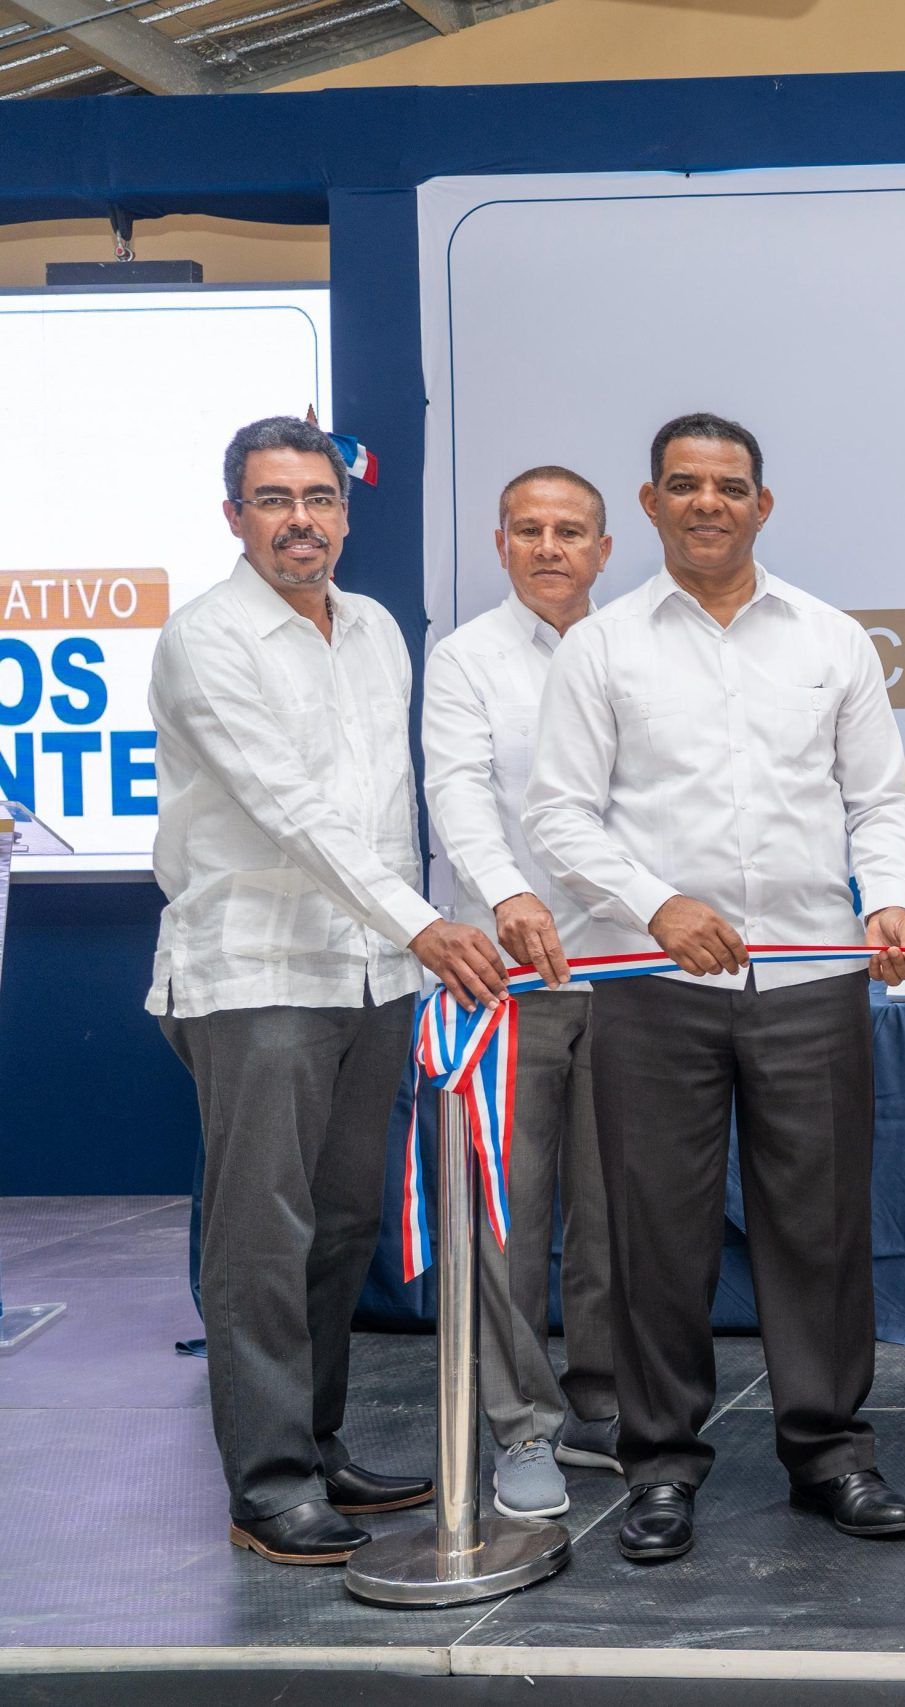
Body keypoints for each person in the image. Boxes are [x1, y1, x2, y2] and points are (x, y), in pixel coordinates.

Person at [522, 412, 905, 1563]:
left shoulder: (832, 640)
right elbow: (557, 813)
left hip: (811, 971)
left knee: (821, 1228)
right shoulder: (602, 648)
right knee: (659, 1235)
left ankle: (829, 1451)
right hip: (654, 981)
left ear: (764, 504)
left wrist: (888, 896)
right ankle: (658, 1465)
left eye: (731, 486)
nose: (710, 503)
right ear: (648, 505)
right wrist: (658, 904)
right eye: (685, 486)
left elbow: (874, 804)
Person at [151, 416, 510, 1565]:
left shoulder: (374, 634)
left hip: (373, 973)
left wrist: (411, 936)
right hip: (255, 967)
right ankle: (266, 1486)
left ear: (345, 515)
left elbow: (384, 808)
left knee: (343, 1219)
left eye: (317, 498)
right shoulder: (206, 640)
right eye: (272, 499)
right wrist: (426, 922)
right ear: (233, 518)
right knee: (262, 1234)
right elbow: (289, 813)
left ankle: (314, 1443)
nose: (299, 519)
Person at [420, 465, 622, 1521]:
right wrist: (502, 894)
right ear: (499, 544)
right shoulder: (466, 661)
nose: (550, 548)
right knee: (511, 1217)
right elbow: (455, 790)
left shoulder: (638, 644)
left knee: (614, 1214)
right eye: (529, 530)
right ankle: (521, 1430)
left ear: (604, 548)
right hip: (512, 981)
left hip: (631, 973)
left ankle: (597, 1405)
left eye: (571, 531)